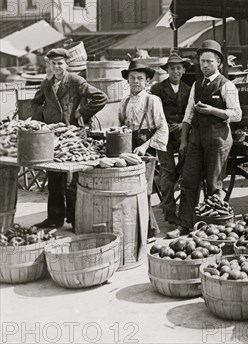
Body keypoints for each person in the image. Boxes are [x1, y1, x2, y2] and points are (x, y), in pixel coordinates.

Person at [166, 40, 242, 239]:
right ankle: (184, 225)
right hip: (196, 138)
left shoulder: (227, 85)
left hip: (218, 139)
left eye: (209, 61)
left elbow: (237, 114)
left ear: (219, 63)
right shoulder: (196, 85)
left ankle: (211, 228)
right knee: (188, 181)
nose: (205, 65)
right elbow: (188, 115)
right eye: (202, 62)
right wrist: (184, 141)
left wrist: (213, 111)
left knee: (213, 184)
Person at [31, 48, 108, 229]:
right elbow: (35, 103)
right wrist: (43, 116)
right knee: (54, 179)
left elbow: (100, 97)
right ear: (49, 65)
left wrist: (82, 111)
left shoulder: (75, 81)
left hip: (72, 135)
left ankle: (75, 219)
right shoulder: (46, 84)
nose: (57, 67)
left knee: (72, 181)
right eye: (53, 63)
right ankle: (54, 218)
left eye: (60, 63)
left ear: (67, 64)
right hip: (53, 136)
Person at [119, 59, 169, 242]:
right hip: (128, 147)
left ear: (147, 82)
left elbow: (162, 128)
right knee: (129, 189)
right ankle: (134, 230)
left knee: (144, 191)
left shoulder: (152, 100)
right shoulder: (124, 102)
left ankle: (148, 232)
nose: (135, 82)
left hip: (146, 148)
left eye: (139, 78)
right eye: (132, 78)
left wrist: (145, 146)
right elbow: (121, 125)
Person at [149, 53, 192, 225]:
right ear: (167, 70)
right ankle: (169, 210)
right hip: (163, 133)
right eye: (172, 68)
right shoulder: (157, 89)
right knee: (167, 171)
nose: (175, 71)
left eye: (178, 68)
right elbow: (154, 113)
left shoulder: (188, 90)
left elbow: (190, 113)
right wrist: (165, 126)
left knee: (186, 166)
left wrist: (183, 125)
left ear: (183, 71)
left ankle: (185, 206)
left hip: (182, 133)